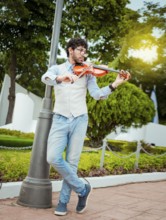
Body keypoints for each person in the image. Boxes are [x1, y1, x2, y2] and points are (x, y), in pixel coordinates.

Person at [41, 38, 130, 216]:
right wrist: (61, 78)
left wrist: (116, 84)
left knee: (72, 163)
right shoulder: (57, 68)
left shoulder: (88, 72)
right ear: (70, 50)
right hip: (60, 118)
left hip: (80, 119)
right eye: (80, 50)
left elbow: (96, 94)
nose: (84, 54)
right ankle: (82, 189)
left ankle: (63, 203)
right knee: (52, 157)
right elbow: (46, 78)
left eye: (85, 51)